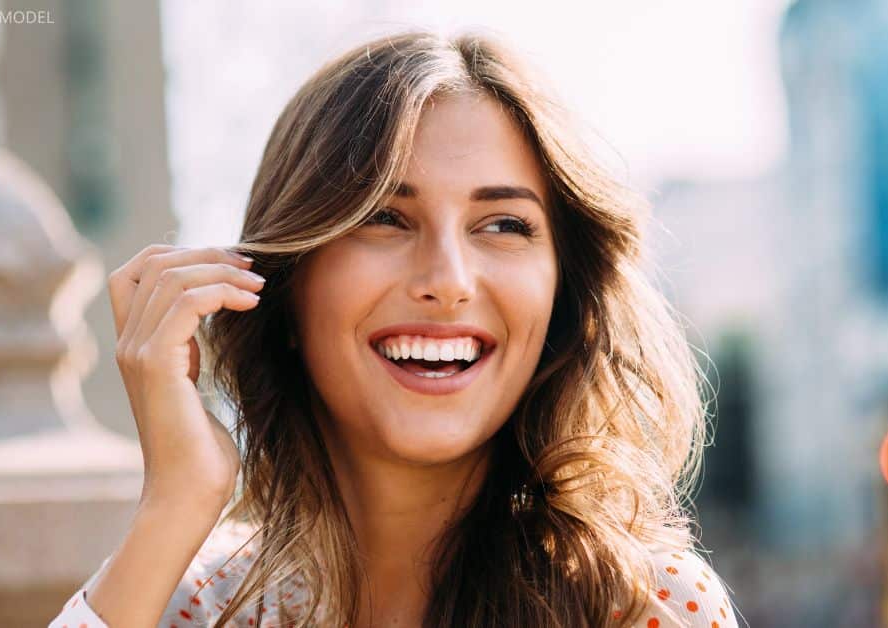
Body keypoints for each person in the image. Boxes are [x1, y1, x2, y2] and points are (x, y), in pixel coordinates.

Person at [49, 29, 740, 628]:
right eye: (384, 217)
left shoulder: (643, 605)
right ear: (282, 286)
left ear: (563, 295)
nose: (448, 279)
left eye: (503, 225)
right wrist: (175, 502)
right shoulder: (198, 604)